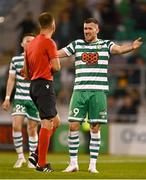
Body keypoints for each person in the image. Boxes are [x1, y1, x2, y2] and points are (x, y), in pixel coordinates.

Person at [58, 18, 143, 173]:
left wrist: (132, 46)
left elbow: (118, 49)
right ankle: (73, 163)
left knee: (95, 128)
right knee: (73, 125)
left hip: (98, 92)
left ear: (97, 30)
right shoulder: (77, 44)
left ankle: (92, 165)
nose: (87, 31)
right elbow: (60, 53)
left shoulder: (105, 44)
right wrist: (44, 51)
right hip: (79, 91)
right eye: (85, 28)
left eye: (90, 28)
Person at [22, 12, 61, 172]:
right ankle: (41, 165)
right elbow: (57, 66)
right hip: (45, 84)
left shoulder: (30, 44)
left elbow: (26, 71)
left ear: (40, 26)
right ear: (53, 25)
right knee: (46, 122)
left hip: (33, 86)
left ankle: (37, 154)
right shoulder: (49, 42)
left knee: (56, 121)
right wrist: (47, 69)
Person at [2, 33, 40, 168]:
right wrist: (7, 98)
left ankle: (31, 158)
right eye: (27, 41)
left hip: (34, 99)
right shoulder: (16, 60)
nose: (29, 43)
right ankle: (20, 157)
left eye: (32, 41)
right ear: (22, 44)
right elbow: (11, 79)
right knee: (16, 126)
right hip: (20, 98)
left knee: (32, 128)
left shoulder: (39, 59)